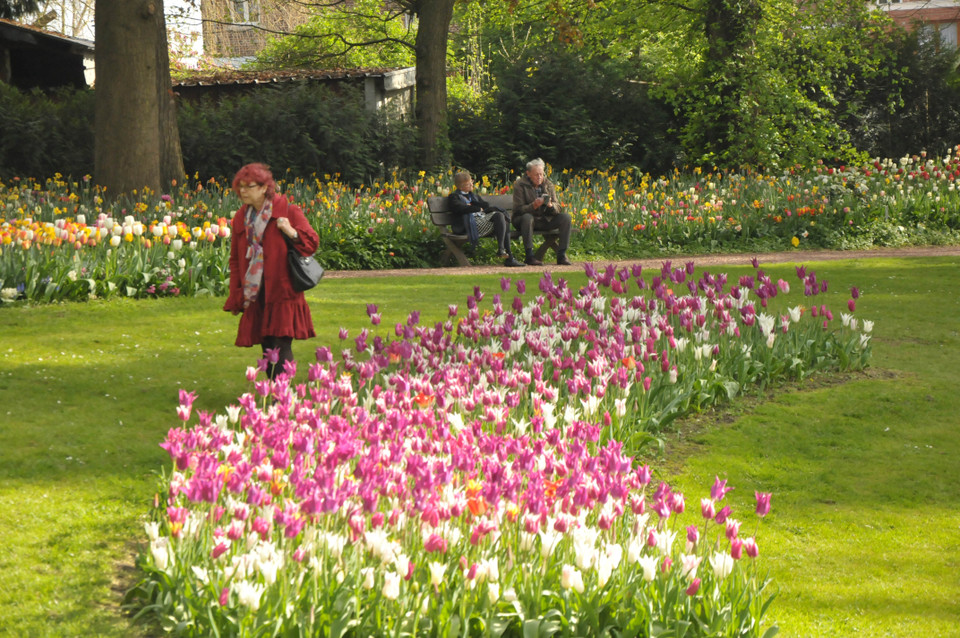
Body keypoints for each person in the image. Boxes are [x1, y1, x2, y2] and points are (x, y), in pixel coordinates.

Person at [223, 163, 319, 380]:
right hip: (256, 293)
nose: (243, 191)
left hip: (283, 291)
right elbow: (236, 261)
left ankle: (280, 398)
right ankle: (274, 393)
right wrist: (236, 293)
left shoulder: (287, 211)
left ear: (265, 187)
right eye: (240, 187)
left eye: (249, 186)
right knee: (266, 347)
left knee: (281, 344)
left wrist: (291, 232)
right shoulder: (241, 218)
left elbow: (311, 244)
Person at [448, 170, 524, 267]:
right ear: (462, 186)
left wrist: (474, 205)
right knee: (499, 216)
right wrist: (476, 208)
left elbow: (485, 205)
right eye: (469, 183)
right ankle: (506, 255)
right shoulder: (454, 197)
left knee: (502, 217)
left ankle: (504, 253)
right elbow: (460, 208)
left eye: (471, 181)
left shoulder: (473, 196)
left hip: (481, 222)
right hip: (469, 226)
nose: (472, 184)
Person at [512, 158, 573, 266]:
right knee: (527, 217)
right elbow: (518, 209)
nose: (539, 177)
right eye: (536, 174)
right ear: (528, 173)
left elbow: (558, 207)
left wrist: (550, 206)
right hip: (525, 221)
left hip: (545, 220)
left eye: (541, 174)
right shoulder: (520, 185)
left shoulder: (548, 184)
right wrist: (533, 206)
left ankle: (561, 255)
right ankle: (529, 256)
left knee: (566, 218)